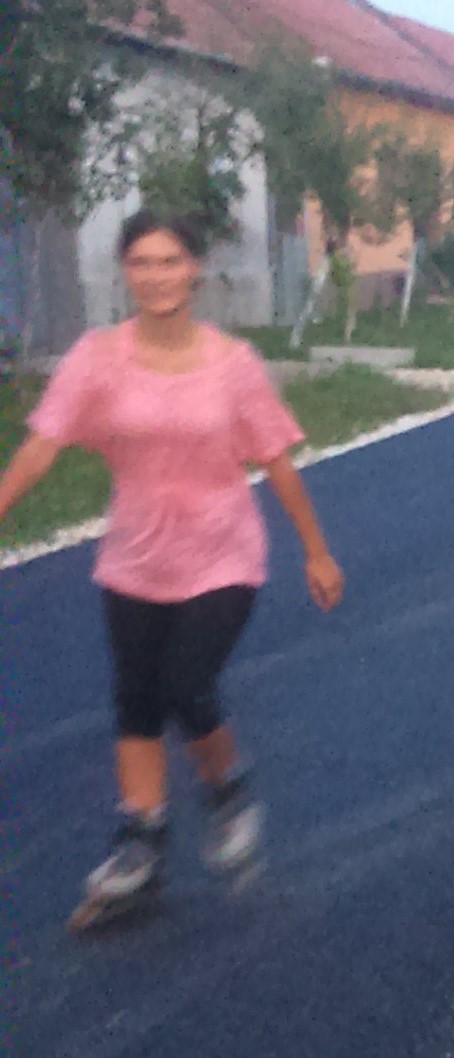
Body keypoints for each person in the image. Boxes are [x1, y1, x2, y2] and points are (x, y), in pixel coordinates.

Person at [0, 208, 345, 929]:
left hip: (223, 556)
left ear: (194, 269)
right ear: (126, 272)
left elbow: (276, 459)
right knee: (135, 698)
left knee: (186, 683)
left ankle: (227, 793)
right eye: (142, 262)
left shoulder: (232, 364)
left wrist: (315, 550)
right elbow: (40, 448)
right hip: (134, 559)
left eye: (169, 261)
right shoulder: (97, 358)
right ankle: (143, 842)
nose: (156, 276)